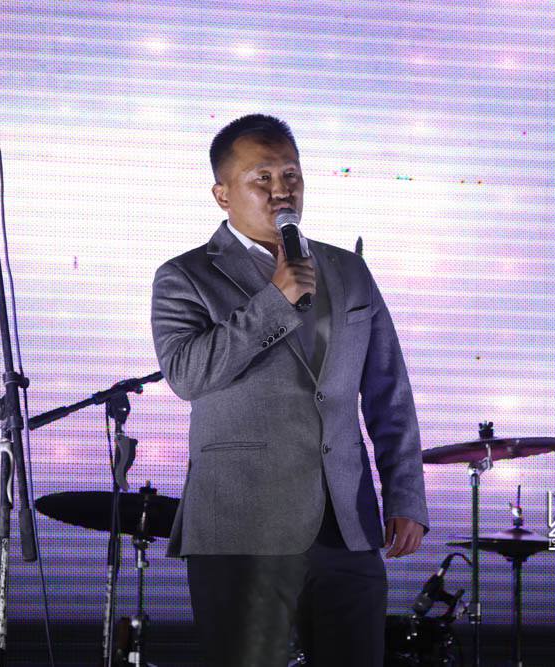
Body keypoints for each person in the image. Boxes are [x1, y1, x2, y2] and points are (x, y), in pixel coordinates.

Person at [151, 114, 428, 667]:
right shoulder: (185, 275)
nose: (282, 190)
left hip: (345, 525)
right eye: (263, 178)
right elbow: (186, 374)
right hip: (241, 529)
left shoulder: (348, 270)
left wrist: (405, 496)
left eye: (291, 175)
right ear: (222, 194)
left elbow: (389, 391)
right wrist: (275, 301)